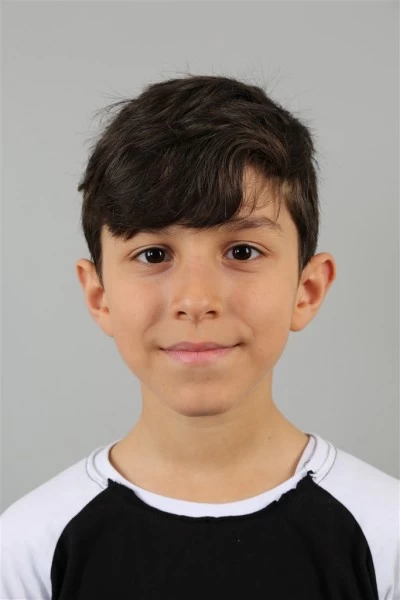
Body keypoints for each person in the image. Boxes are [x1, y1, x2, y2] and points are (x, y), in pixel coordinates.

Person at [1, 73, 398, 600]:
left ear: (307, 290)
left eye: (242, 252)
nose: (196, 299)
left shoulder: (385, 534)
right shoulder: (29, 548)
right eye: (153, 255)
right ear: (99, 296)